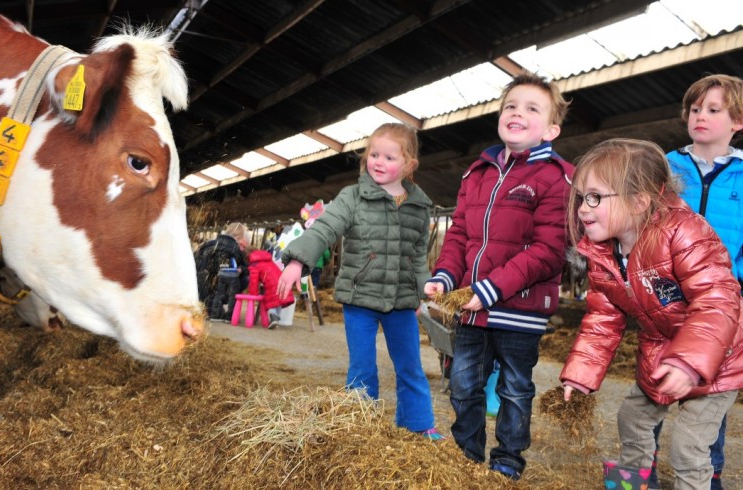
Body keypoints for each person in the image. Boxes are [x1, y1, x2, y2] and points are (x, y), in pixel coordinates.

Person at [560, 138, 743, 489]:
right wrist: (580, 375)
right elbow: (602, 321)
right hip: (660, 350)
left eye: (596, 197)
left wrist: (689, 362)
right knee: (632, 418)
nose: (584, 207)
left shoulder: (685, 233)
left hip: (719, 357)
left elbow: (717, 300)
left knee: (688, 445)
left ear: (640, 201)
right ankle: (635, 484)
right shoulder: (603, 254)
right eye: (581, 197)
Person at [424, 71, 573, 481]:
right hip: (471, 310)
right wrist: (445, 277)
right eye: (511, 106)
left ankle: (508, 458)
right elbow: (459, 234)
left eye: (531, 108)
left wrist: (489, 290)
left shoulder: (557, 177)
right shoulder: (478, 173)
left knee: (514, 388)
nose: (517, 113)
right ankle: (466, 455)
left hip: (519, 312)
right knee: (462, 384)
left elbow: (549, 251)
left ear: (551, 128)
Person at [276, 122, 444, 440]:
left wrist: (426, 285)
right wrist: (298, 260)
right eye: (374, 154)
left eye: (389, 157)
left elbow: (418, 256)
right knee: (363, 367)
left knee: (410, 365)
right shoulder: (352, 197)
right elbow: (325, 228)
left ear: (409, 165)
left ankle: (418, 424)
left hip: (401, 301)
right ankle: (358, 425)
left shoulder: (420, 207)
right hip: (359, 299)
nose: (378, 162)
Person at [647, 74, 743, 490]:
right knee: (651, 384)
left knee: (710, 389)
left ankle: (710, 473)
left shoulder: (742, 176)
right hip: (667, 297)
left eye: (714, 110)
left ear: (738, 121)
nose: (700, 116)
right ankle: (640, 471)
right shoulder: (666, 167)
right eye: (695, 108)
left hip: (721, 301)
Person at [195, 222, 250, 321]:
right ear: (238, 238)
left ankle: (208, 305)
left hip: (199, 289)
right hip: (221, 289)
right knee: (243, 278)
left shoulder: (208, 244)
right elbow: (246, 270)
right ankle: (222, 310)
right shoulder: (235, 249)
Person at [247, 248, 294, 328]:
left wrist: (253, 294)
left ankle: (274, 317)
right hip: (283, 281)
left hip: (272, 285)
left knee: (271, 300)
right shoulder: (268, 260)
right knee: (279, 301)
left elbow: (253, 281)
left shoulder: (254, 265)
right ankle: (276, 319)